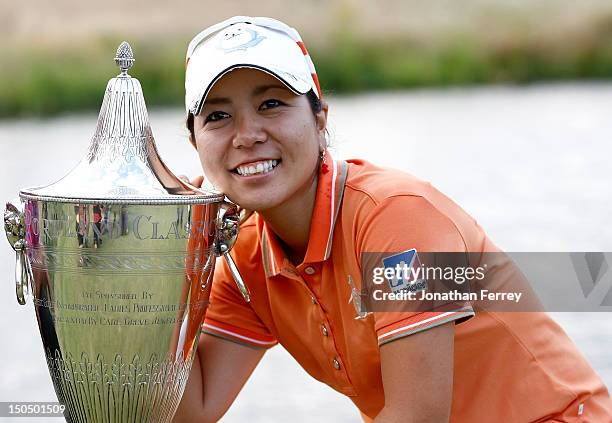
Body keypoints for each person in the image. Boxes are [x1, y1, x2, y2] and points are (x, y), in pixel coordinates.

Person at [174, 16, 612, 422]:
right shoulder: (242, 253)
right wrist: (150, 267)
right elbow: (192, 408)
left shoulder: (395, 216)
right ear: (195, 142)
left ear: (320, 117)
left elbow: (417, 415)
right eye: (218, 116)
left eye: (271, 103)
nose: (248, 134)